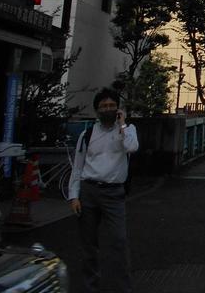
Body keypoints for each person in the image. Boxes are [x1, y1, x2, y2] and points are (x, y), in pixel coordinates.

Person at [68, 87, 139, 293]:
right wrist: (74, 196)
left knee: (119, 241)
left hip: (114, 193)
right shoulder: (87, 134)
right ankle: (90, 287)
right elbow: (78, 166)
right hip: (88, 190)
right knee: (88, 244)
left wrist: (122, 124)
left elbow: (132, 147)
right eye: (103, 106)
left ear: (118, 108)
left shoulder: (127, 130)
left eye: (112, 105)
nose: (108, 109)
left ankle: (124, 288)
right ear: (97, 110)